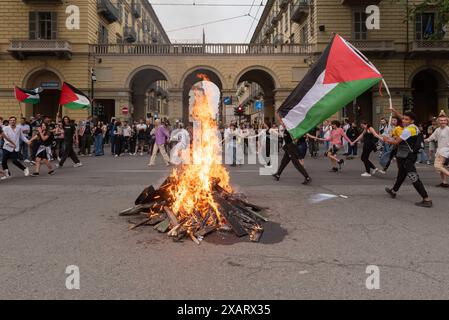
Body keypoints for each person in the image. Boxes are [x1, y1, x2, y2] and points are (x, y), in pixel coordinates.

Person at [383, 111, 432, 208]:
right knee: (401, 174)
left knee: (413, 177)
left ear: (411, 121)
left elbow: (396, 142)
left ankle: (426, 198)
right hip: (409, 155)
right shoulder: (414, 127)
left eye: (406, 119)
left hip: (407, 157)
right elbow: (403, 118)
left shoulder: (407, 130)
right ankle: (394, 191)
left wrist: (385, 139)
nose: (404, 121)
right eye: (403, 119)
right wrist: (395, 111)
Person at [426, 111, 449, 188]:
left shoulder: (448, 129)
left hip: (445, 150)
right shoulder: (437, 129)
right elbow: (432, 137)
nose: (443, 122)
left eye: (444, 120)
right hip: (439, 150)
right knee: (441, 167)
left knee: (437, 166)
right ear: (438, 121)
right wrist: (426, 140)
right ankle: (445, 182)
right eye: (441, 120)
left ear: (447, 121)